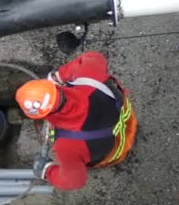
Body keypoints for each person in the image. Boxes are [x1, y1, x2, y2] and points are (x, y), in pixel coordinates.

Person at [15, 51, 137, 190]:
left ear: (39, 116)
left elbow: (74, 182)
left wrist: (47, 171)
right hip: (126, 118)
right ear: (53, 87)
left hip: (117, 150)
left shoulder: (66, 146)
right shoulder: (88, 76)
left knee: (82, 160)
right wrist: (58, 76)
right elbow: (95, 57)